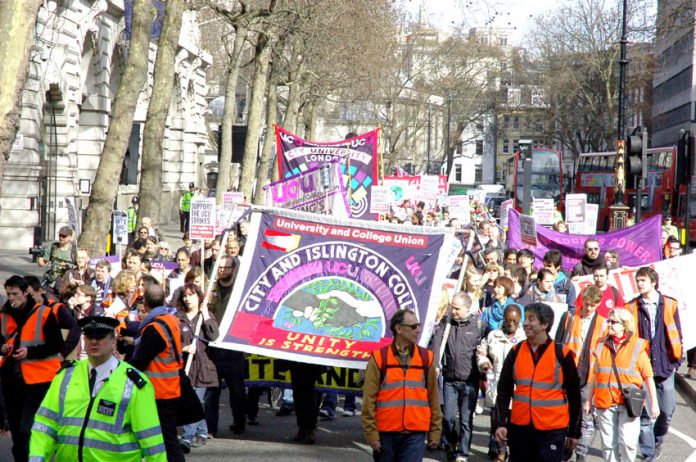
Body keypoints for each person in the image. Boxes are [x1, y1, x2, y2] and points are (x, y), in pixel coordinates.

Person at [28, 316, 166, 461]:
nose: (94, 341)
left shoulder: (134, 383)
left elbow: (152, 440)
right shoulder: (65, 376)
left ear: (113, 341)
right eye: (89, 336)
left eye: (100, 337)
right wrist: (37, 458)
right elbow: (45, 423)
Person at [495, 303, 582, 462]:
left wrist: (574, 433)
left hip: (552, 430)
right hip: (520, 427)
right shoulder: (516, 351)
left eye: (531, 319)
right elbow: (503, 389)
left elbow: (575, 395)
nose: (525, 323)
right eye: (525, 318)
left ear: (545, 325)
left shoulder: (562, 353)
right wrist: (500, 423)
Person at [361, 309, 442, 461]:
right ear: (399, 329)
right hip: (385, 433)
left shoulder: (426, 358)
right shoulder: (379, 358)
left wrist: (435, 431)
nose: (418, 330)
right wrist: (371, 433)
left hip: (415, 434)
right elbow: (368, 400)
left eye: (418, 326)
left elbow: (434, 398)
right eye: (413, 326)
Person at [1, 275, 66, 462]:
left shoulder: (43, 313)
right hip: (11, 382)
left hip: (37, 382)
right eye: (8, 294)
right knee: (16, 432)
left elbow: (56, 344)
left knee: (28, 429)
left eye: (15, 293)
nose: (11, 298)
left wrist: (30, 352)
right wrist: (2, 348)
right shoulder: (4, 313)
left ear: (25, 293)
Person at [585, 308, 659, 462]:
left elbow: (648, 377)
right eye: (608, 321)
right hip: (605, 401)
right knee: (608, 444)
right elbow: (594, 375)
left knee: (628, 443)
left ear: (624, 325)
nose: (609, 324)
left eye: (613, 322)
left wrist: (654, 405)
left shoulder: (637, 347)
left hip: (629, 403)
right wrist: (588, 400)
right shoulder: (601, 344)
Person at [625, 266, 683, 461]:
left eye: (642, 280)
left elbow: (677, 333)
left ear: (653, 282)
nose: (639, 284)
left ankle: (658, 439)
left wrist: (677, 359)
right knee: (644, 413)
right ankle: (649, 452)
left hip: (665, 365)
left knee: (667, 410)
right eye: (637, 280)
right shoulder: (631, 306)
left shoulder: (669, 304)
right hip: (641, 367)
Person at [130, 285, 186, 462]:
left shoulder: (154, 328)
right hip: (170, 387)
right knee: (168, 438)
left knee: (166, 440)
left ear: (145, 304)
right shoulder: (171, 319)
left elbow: (141, 360)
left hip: (158, 392)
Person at [555, 285, 609, 462]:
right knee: (564, 413)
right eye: (586, 304)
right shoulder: (570, 317)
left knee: (584, 416)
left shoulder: (603, 324)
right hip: (567, 373)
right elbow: (558, 343)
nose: (588, 308)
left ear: (598, 304)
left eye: (592, 306)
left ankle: (581, 453)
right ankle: (564, 448)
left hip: (589, 375)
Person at [431, 293, 484, 462]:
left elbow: (487, 346)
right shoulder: (446, 323)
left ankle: (462, 453)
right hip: (449, 379)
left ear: (467, 308)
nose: (452, 311)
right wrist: (435, 365)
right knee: (447, 417)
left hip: (470, 381)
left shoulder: (479, 325)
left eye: (456, 308)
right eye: (451, 307)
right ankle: (452, 442)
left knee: (466, 421)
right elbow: (437, 345)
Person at [478, 304, 525, 462]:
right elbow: (481, 351)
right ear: (503, 320)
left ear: (520, 321)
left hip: (518, 387)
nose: (511, 323)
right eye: (507, 320)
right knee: (497, 421)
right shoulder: (493, 335)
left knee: (514, 424)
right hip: (496, 383)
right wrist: (483, 361)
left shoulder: (524, 340)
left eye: (514, 321)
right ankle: (500, 452)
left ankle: (512, 452)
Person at [206, 256, 247, 437]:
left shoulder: (240, 290)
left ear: (233, 269)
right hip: (213, 346)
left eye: (226, 267)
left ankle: (239, 423)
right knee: (211, 391)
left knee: (237, 391)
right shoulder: (210, 289)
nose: (222, 270)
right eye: (220, 267)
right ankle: (211, 428)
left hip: (233, 347)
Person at [175, 283, 219, 453]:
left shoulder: (205, 316)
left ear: (198, 297)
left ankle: (187, 436)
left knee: (195, 399)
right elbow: (173, 342)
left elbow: (214, 335)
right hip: (186, 366)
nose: (187, 299)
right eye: (185, 296)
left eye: (191, 295)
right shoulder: (178, 318)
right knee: (192, 399)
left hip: (203, 367)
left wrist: (206, 315)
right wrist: (184, 348)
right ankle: (201, 431)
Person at [37, 226, 77, 294]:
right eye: (60, 235)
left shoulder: (74, 250)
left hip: (67, 285)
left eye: (64, 236)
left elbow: (80, 266)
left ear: (70, 237)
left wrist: (69, 267)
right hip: (52, 284)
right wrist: (39, 255)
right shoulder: (53, 247)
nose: (61, 238)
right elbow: (42, 263)